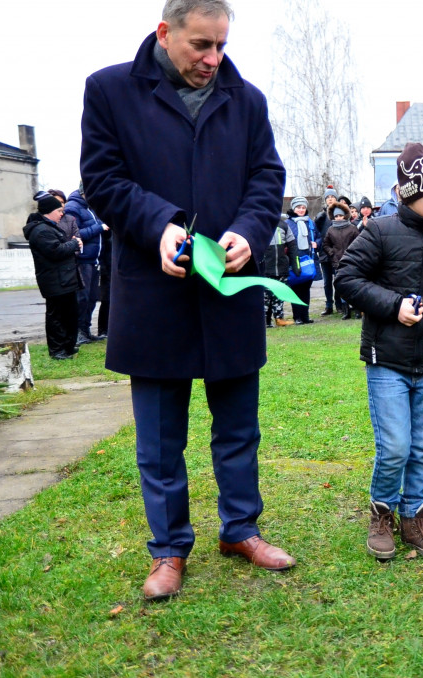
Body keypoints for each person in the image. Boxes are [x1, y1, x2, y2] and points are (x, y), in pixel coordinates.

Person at [80, 0, 296, 601]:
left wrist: (249, 233)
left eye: (222, 45)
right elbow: (101, 180)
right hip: (154, 292)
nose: (213, 59)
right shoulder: (109, 91)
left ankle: (241, 530)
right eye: (201, 45)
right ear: (165, 32)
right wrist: (160, 225)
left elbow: (266, 180)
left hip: (227, 292)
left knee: (238, 429)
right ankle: (169, 548)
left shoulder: (246, 99)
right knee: (159, 439)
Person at [336, 142, 423, 560]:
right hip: (388, 360)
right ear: (410, 194)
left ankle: (415, 516)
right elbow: (347, 277)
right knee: (395, 445)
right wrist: (393, 306)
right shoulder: (379, 231)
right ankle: (382, 512)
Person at [23, 195, 81, 360]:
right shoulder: (41, 231)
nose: (61, 214)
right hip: (55, 281)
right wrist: (74, 244)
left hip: (63, 279)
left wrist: (71, 244)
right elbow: (55, 251)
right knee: (57, 317)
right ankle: (57, 350)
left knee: (69, 314)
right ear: (49, 212)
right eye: (59, 211)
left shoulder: (49, 227)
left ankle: (68, 346)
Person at [65, 187, 108, 345]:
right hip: (82, 260)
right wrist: (99, 227)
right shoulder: (73, 208)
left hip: (93, 260)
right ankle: (78, 332)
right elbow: (73, 234)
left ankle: (85, 330)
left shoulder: (89, 208)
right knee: (82, 298)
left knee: (91, 297)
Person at [321, 200, 360, 319]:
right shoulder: (331, 230)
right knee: (342, 286)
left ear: (345, 216)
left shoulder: (352, 228)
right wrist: (332, 253)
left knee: (355, 285)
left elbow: (359, 243)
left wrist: (353, 253)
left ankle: (358, 309)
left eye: (340, 215)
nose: (338, 218)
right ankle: (345, 310)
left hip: (352, 261)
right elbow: (325, 244)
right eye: (336, 216)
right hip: (338, 262)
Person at [262, 213, 298, 328]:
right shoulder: (260, 225)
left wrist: (296, 265)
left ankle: (279, 318)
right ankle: (264, 321)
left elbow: (292, 246)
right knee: (266, 297)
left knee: (279, 294)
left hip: (282, 267)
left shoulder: (284, 226)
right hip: (265, 268)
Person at [286, 197, 318, 324]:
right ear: (294, 208)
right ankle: (297, 317)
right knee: (296, 288)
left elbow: (318, 237)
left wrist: (317, 243)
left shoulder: (310, 223)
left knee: (306, 289)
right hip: (294, 260)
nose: (301, 210)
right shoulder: (288, 223)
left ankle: (305, 316)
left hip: (308, 259)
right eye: (298, 207)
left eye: (303, 207)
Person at [314, 187, 338, 316]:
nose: (330, 199)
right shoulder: (321, 216)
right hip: (324, 253)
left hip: (337, 253)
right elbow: (317, 234)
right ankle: (329, 305)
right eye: (328, 197)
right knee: (327, 281)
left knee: (338, 280)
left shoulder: (340, 214)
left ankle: (340, 305)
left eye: (332, 197)